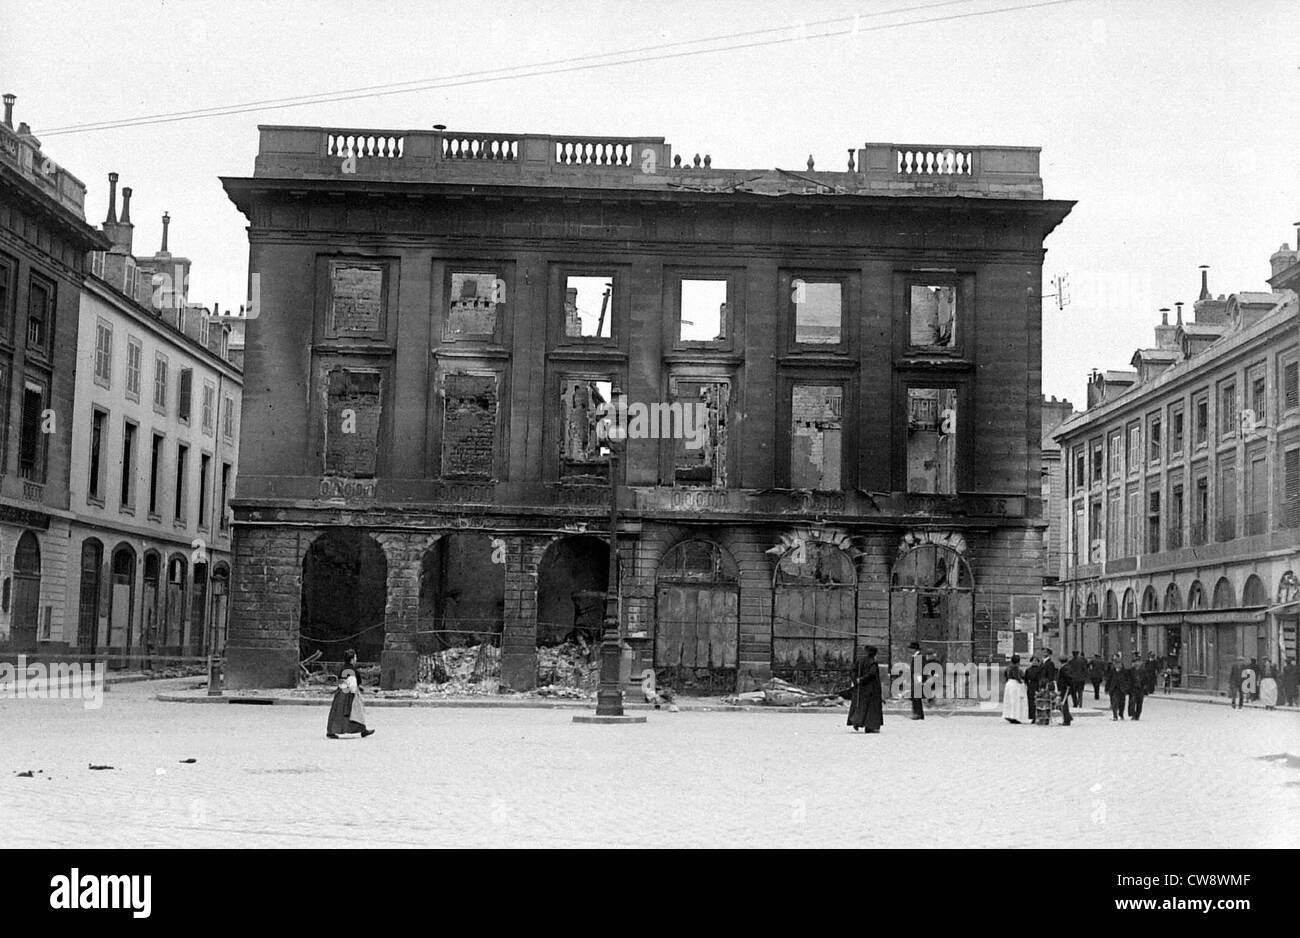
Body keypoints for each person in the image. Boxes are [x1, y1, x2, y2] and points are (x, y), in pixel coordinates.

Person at [327, 649, 375, 739]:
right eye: (355, 657)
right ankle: (363, 730)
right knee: (355, 712)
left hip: (341, 691)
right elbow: (353, 683)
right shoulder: (352, 670)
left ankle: (331, 731)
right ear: (352, 659)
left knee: (337, 712)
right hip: (349, 693)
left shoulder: (343, 668)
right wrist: (355, 693)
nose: (356, 659)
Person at [847, 647, 884, 733]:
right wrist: (862, 679)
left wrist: (856, 680)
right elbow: (872, 674)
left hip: (860, 689)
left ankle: (856, 721)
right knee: (871, 709)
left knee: (860, 706)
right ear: (875, 654)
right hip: (871, 688)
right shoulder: (873, 662)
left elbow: (852, 671)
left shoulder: (859, 661)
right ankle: (870, 726)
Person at [1002, 654, 1029, 724]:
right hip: (1014, 684)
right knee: (1015, 701)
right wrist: (1021, 682)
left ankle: (1008, 715)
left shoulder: (1008, 667)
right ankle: (1015, 716)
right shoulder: (1016, 667)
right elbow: (1017, 676)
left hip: (1009, 683)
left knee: (1009, 701)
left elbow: (1005, 675)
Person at [1104, 652, 1128, 721]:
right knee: (1114, 702)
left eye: (1118, 664)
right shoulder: (1112, 671)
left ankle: (1121, 714)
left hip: (1122, 689)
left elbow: (1127, 680)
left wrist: (1127, 688)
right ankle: (1115, 716)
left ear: (1121, 664)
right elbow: (1109, 680)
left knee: (1122, 703)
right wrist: (1107, 689)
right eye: (1116, 664)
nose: (1117, 665)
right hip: (1114, 689)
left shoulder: (1124, 671)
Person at [907, 641, 925, 720]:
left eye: (911, 648)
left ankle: (917, 713)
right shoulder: (916, 656)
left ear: (914, 649)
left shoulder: (918, 657)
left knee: (916, 697)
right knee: (915, 697)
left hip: (917, 679)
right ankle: (918, 713)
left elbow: (919, 670)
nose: (909, 650)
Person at [1127, 652, 1147, 721]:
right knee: (1132, 702)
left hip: (1140, 689)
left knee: (1139, 703)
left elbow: (1146, 680)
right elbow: (1128, 679)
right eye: (1135, 662)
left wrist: (1145, 688)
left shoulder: (1143, 671)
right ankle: (1133, 714)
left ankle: (1137, 715)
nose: (1137, 663)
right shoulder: (1130, 671)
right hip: (1133, 689)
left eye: (1138, 662)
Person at [1056, 655, 1073, 726]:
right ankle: (1068, 717)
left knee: (1063, 704)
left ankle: (1067, 720)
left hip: (1064, 688)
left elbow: (1068, 677)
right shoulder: (1066, 667)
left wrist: (1068, 685)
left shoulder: (1064, 668)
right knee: (1062, 703)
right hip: (1064, 687)